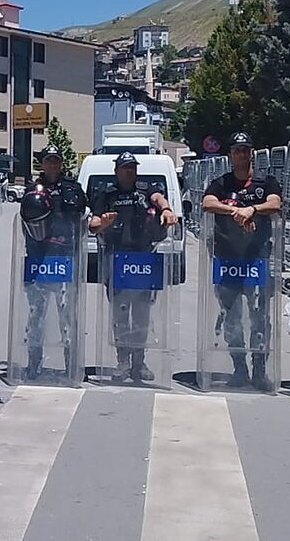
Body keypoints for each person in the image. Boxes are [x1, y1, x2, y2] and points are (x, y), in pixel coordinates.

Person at [201, 132, 283, 390]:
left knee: (260, 317)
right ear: (230, 155)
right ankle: (239, 367)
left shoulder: (265, 182)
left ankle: (260, 369)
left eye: (245, 150)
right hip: (228, 258)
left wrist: (253, 209)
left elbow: (275, 203)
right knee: (232, 315)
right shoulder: (221, 183)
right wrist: (235, 211)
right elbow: (207, 202)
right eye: (236, 150)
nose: (241, 154)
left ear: (251, 154)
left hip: (257, 258)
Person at [89, 151, 177, 382]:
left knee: (141, 313)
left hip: (143, 258)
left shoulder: (145, 189)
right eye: (125, 167)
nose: (129, 171)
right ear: (116, 171)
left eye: (132, 167)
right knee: (120, 312)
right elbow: (93, 223)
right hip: (116, 258)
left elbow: (158, 198)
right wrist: (102, 222)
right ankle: (122, 362)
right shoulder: (107, 194)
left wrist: (166, 209)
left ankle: (139, 362)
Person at [21, 145, 89, 379]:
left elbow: (83, 218)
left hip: (64, 260)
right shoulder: (33, 189)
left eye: (55, 161)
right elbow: (25, 222)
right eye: (48, 161)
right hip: (39, 260)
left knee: (67, 316)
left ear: (61, 163)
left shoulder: (73, 188)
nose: (52, 165)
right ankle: (33, 363)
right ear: (42, 164)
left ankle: (72, 365)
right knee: (35, 315)